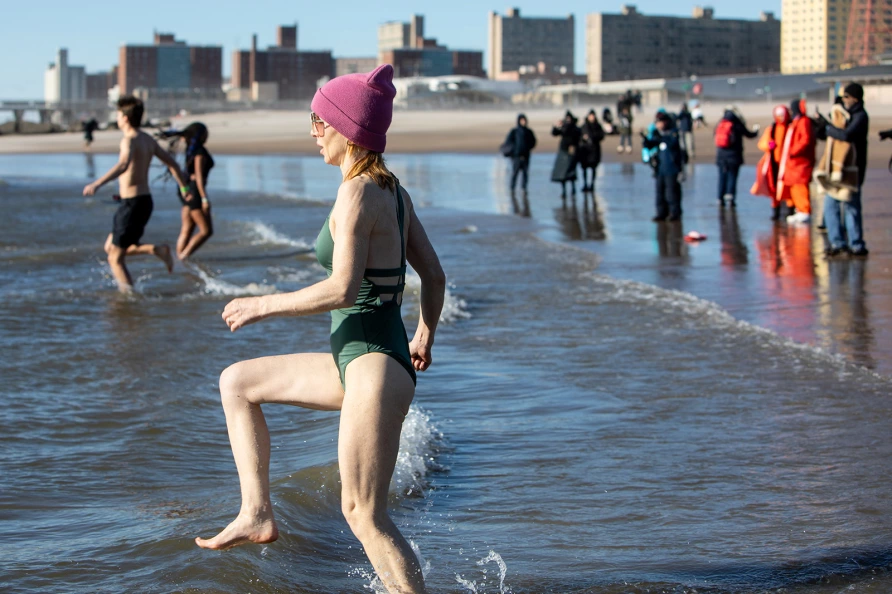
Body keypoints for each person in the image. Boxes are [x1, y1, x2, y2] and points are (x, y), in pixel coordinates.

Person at [194, 65, 445, 594]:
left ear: (346, 128)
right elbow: (434, 275)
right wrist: (424, 335)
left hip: (373, 365)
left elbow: (344, 289)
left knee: (363, 513)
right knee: (237, 382)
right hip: (362, 360)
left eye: (319, 121)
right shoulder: (394, 193)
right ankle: (256, 512)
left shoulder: (358, 194)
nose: (313, 131)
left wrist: (263, 304)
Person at [82, 96, 188, 292]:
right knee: (110, 247)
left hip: (133, 203)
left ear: (125, 118)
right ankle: (156, 249)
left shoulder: (129, 140)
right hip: (142, 202)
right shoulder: (147, 139)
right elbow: (172, 163)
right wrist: (184, 188)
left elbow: (124, 164)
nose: (117, 118)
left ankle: (127, 299)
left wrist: (97, 183)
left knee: (115, 257)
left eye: (118, 114)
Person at [815, 82, 870, 257]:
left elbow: (846, 135)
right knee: (830, 206)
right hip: (835, 171)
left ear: (855, 98)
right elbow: (828, 136)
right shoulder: (841, 116)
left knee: (851, 207)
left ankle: (856, 244)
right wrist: (821, 125)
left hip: (853, 171)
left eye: (846, 97)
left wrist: (828, 128)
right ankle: (837, 243)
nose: (844, 100)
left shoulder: (860, 116)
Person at [172, 122, 215, 259]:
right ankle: (183, 257)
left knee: (187, 228)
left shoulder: (191, 150)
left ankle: (179, 259)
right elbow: (199, 176)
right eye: (205, 133)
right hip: (195, 192)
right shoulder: (199, 152)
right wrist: (204, 198)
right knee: (206, 231)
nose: (207, 135)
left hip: (187, 189)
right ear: (200, 135)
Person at [777, 99, 816, 225]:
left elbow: (805, 139)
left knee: (801, 186)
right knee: (794, 186)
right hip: (793, 162)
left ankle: (804, 210)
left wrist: (793, 152)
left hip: (800, 161)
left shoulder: (804, 121)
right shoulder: (795, 122)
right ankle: (799, 209)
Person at [641, 112, 685, 221]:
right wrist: (645, 138)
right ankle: (661, 213)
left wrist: (661, 137)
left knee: (672, 193)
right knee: (660, 193)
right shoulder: (658, 135)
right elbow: (650, 145)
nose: (658, 124)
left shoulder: (673, 133)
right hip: (660, 169)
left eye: (660, 122)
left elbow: (673, 144)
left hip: (672, 168)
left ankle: (674, 213)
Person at [714, 105, 759, 207]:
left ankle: (720, 198)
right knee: (732, 177)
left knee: (722, 177)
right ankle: (730, 198)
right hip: (734, 156)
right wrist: (756, 131)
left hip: (721, 156)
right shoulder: (737, 124)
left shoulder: (720, 123)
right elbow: (749, 134)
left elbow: (715, 136)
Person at [753, 105, 791, 220]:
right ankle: (776, 211)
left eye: (782, 115)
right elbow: (762, 143)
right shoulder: (772, 129)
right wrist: (769, 145)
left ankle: (790, 209)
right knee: (773, 187)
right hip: (774, 164)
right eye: (778, 115)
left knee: (788, 187)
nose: (780, 118)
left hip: (788, 164)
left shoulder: (790, 128)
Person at [504, 113, 537, 193]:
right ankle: (512, 189)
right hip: (516, 156)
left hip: (526, 156)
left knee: (525, 173)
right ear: (519, 121)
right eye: (522, 120)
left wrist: (528, 148)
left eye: (524, 120)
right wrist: (513, 151)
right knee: (515, 173)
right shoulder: (514, 131)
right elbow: (508, 142)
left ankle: (524, 189)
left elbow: (533, 141)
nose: (523, 122)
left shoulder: (529, 131)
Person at [551, 111, 581, 197]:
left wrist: (574, 146)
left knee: (571, 172)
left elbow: (578, 136)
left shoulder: (575, 128)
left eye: (569, 119)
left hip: (571, 152)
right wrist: (557, 126)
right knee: (562, 172)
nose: (568, 120)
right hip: (563, 151)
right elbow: (554, 133)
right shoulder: (563, 127)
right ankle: (564, 191)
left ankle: (573, 189)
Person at [578, 109, 604, 192]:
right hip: (585, 150)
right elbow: (578, 135)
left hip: (594, 150)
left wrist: (593, 137)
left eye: (593, 116)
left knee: (593, 168)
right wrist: (583, 138)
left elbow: (602, 136)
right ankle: (585, 184)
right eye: (590, 116)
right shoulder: (584, 126)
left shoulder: (597, 126)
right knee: (584, 168)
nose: (592, 117)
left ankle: (592, 184)